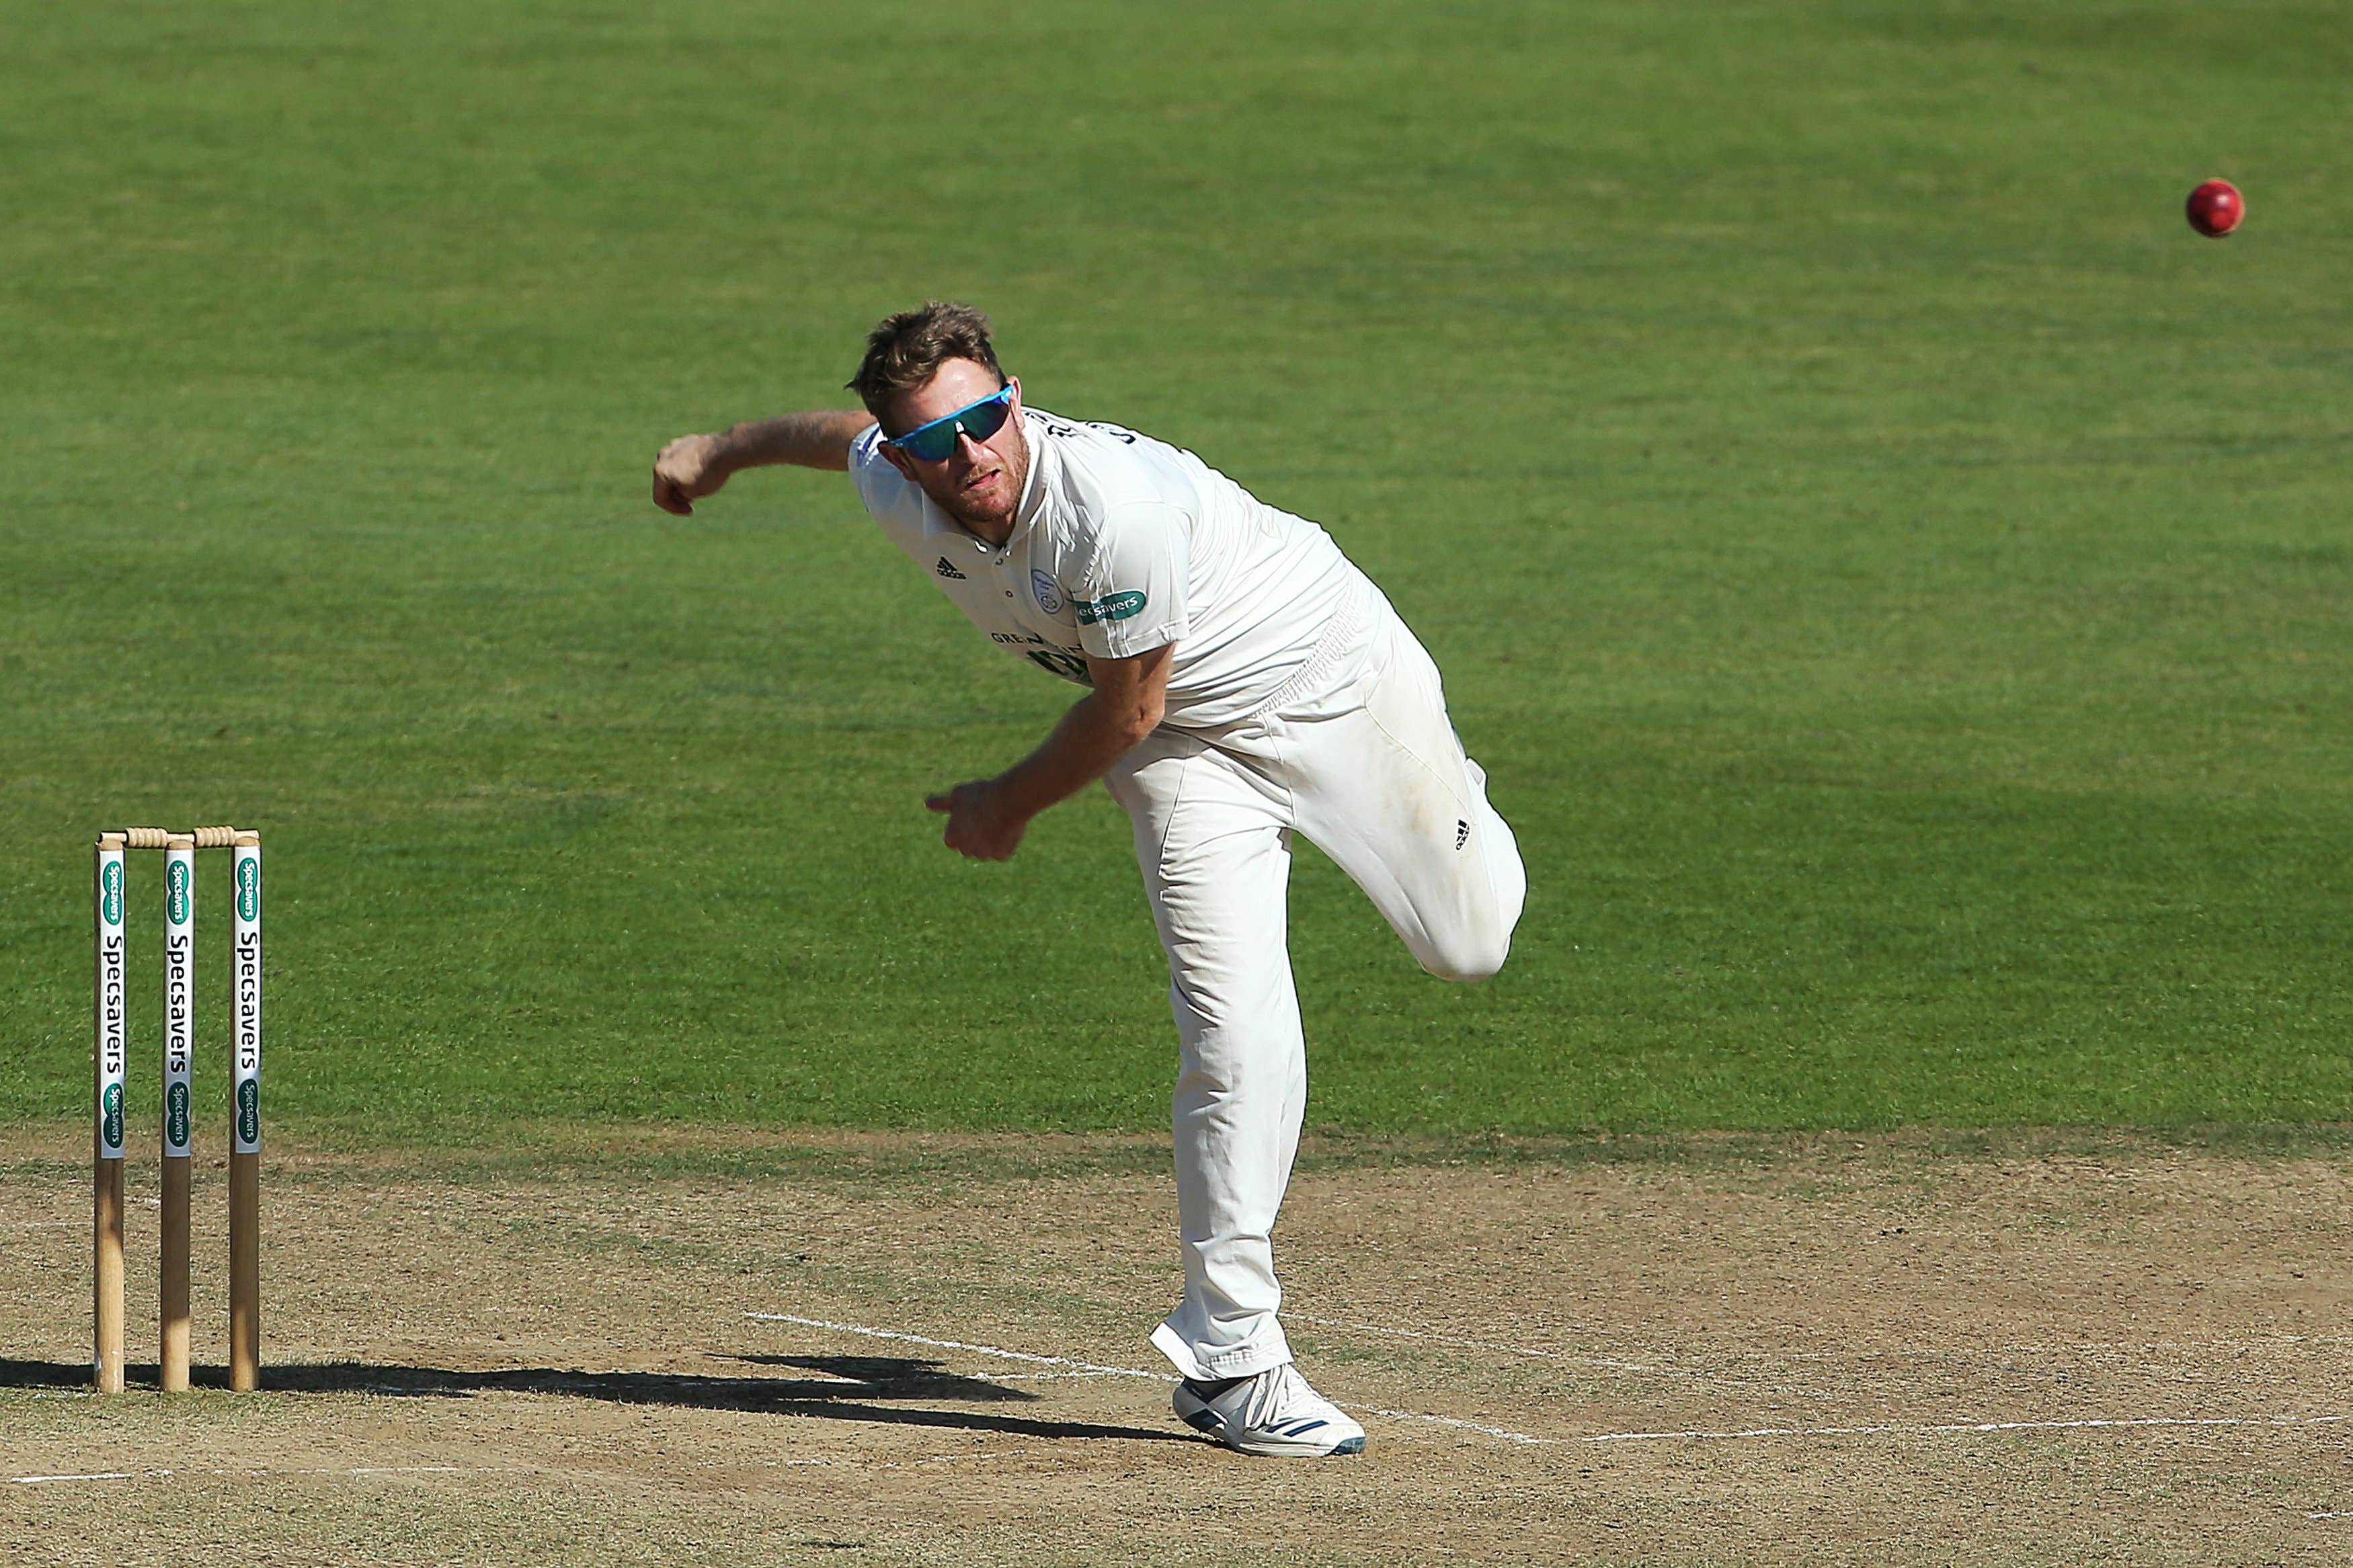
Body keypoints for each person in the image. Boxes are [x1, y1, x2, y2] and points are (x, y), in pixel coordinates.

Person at [651, 302, 1525, 1458]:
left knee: (1468, 944)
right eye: (933, 440)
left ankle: (1452, 801)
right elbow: (831, 435)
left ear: (1015, 402)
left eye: (983, 420)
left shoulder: (1110, 514)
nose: (968, 455)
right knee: (1229, 1030)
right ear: (903, 453)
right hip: (1182, 751)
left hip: (1328, 679)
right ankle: (1235, 1361)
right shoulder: (897, 473)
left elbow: (1122, 705)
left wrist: (1004, 802)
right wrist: (720, 450)